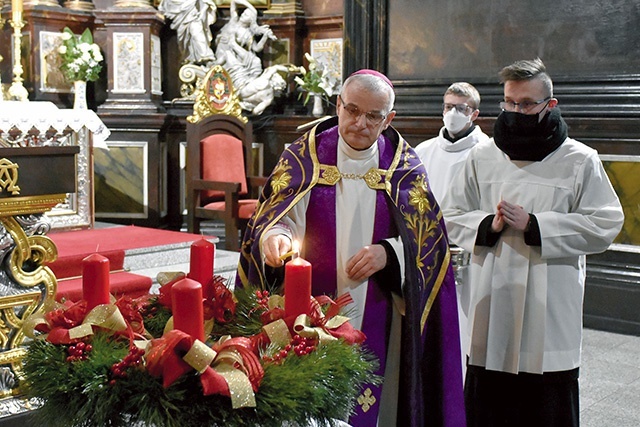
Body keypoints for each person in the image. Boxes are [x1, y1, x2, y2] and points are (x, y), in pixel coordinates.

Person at [236, 70, 465, 426]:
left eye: (373, 116)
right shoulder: (302, 158)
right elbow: (273, 218)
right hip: (308, 307)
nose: (360, 123)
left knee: (372, 401)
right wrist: (274, 239)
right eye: (352, 110)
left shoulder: (405, 168)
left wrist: (389, 254)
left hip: (377, 303)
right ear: (338, 106)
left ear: (388, 119)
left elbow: (430, 243)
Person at [441, 58, 624, 427]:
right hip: (493, 298)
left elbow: (606, 221)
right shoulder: (483, 156)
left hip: (550, 303)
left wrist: (537, 225)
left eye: (527, 104)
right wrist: (486, 225)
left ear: (549, 105)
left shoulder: (579, 159)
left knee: (546, 406)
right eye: (510, 102)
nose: (516, 111)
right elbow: (449, 214)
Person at [414, 82, 489, 378]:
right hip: (429, 254)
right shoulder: (423, 151)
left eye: (461, 108)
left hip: (469, 258)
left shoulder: (488, 153)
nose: (453, 113)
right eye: (448, 107)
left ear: (475, 114)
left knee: (467, 330)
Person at [158, 0, 217, 64]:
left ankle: (206, 56)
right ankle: (189, 57)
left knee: (197, 33)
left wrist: (202, 12)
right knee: (185, 40)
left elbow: (206, 2)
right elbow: (164, 6)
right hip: (181, 19)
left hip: (194, 17)